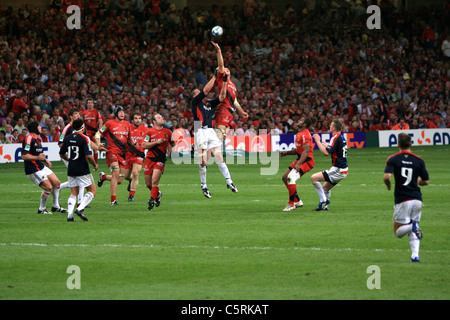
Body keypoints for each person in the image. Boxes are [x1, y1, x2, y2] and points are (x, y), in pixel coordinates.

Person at [383, 133, 429, 262]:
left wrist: (388, 186)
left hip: (403, 199)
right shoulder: (419, 160)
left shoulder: (393, 159)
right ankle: (415, 255)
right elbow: (426, 181)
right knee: (414, 227)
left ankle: (413, 226)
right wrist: (417, 182)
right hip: (417, 199)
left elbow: (387, 176)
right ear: (411, 144)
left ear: (398, 145)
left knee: (398, 232)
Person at [191, 69, 238, 198]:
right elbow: (205, 91)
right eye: (196, 93)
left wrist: (223, 81)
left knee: (219, 157)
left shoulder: (207, 103)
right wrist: (214, 76)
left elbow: (222, 97)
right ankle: (204, 186)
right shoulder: (195, 103)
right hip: (200, 131)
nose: (198, 94)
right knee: (203, 161)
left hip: (210, 131)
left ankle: (229, 181)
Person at [21, 121, 67, 215]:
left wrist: (45, 160)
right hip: (32, 169)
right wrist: (38, 158)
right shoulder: (29, 139)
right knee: (48, 187)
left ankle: (55, 206)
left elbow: (38, 154)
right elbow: (24, 156)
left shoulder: (38, 139)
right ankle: (41, 209)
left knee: (57, 183)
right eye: (39, 126)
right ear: (34, 128)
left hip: (40, 166)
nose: (40, 128)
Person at [59, 118, 101, 222]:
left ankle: (70, 215)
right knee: (92, 190)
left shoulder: (68, 138)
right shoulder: (84, 138)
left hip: (71, 168)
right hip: (82, 168)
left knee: (73, 193)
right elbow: (89, 156)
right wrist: (95, 165)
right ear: (82, 126)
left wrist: (69, 159)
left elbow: (61, 153)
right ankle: (80, 208)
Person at [210, 41, 248, 143]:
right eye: (222, 69)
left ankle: (200, 146)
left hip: (230, 111)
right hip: (223, 109)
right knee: (219, 136)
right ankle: (198, 148)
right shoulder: (223, 80)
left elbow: (234, 100)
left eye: (226, 68)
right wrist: (218, 51)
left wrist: (241, 111)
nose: (224, 69)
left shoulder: (233, 85)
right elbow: (221, 65)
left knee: (221, 135)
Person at [96, 106, 135, 206]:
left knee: (120, 180)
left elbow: (130, 139)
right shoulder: (109, 123)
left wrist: (136, 146)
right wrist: (98, 143)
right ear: (116, 113)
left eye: (123, 112)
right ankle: (113, 200)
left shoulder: (127, 125)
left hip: (123, 154)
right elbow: (97, 134)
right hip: (111, 152)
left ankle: (104, 177)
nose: (122, 114)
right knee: (116, 172)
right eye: (120, 112)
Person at [310, 119, 348, 211]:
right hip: (343, 169)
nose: (329, 127)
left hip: (339, 169)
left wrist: (318, 141)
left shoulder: (335, 137)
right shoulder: (340, 137)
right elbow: (334, 149)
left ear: (334, 128)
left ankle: (323, 202)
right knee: (325, 188)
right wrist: (327, 145)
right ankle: (324, 207)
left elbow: (326, 153)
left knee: (313, 178)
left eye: (331, 125)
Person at [279, 117, 315, 211]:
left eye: (301, 121)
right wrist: (286, 153)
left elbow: (306, 152)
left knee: (291, 178)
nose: (299, 121)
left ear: (305, 125)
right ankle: (297, 200)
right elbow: (298, 150)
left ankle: (291, 204)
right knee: (285, 177)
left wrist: (298, 164)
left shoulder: (306, 135)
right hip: (300, 159)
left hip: (307, 161)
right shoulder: (299, 134)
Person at [141, 113, 175, 211]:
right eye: (159, 117)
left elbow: (172, 144)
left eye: (162, 117)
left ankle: (152, 200)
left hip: (160, 159)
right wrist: (156, 142)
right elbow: (143, 145)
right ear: (154, 121)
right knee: (148, 184)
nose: (162, 118)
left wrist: (170, 149)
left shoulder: (168, 132)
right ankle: (157, 194)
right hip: (149, 159)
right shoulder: (149, 132)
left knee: (155, 181)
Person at [58, 108, 86, 204]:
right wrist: (70, 150)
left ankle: (58, 187)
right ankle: (80, 202)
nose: (78, 115)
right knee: (80, 179)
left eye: (78, 114)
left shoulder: (81, 127)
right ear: (70, 116)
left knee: (77, 181)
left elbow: (85, 140)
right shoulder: (67, 128)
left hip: (78, 157)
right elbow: (60, 143)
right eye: (75, 114)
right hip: (69, 157)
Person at [124, 112, 147, 202]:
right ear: (132, 120)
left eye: (139, 118)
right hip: (128, 155)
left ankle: (131, 196)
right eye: (136, 118)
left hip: (139, 154)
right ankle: (131, 181)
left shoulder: (145, 129)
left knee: (135, 173)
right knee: (126, 176)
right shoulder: (128, 128)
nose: (138, 120)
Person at [82, 98, 103, 164]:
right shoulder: (84, 113)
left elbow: (100, 121)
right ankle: (85, 163)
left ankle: (95, 163)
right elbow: (82, 123)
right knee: (85, 148)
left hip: (94, 133)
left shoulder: (96, 112)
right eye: (89, 103)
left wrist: (100, 132)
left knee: (95, 149)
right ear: (87, 104)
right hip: (86, 133)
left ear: (93, 104)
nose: (90, 104)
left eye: (91, 103)